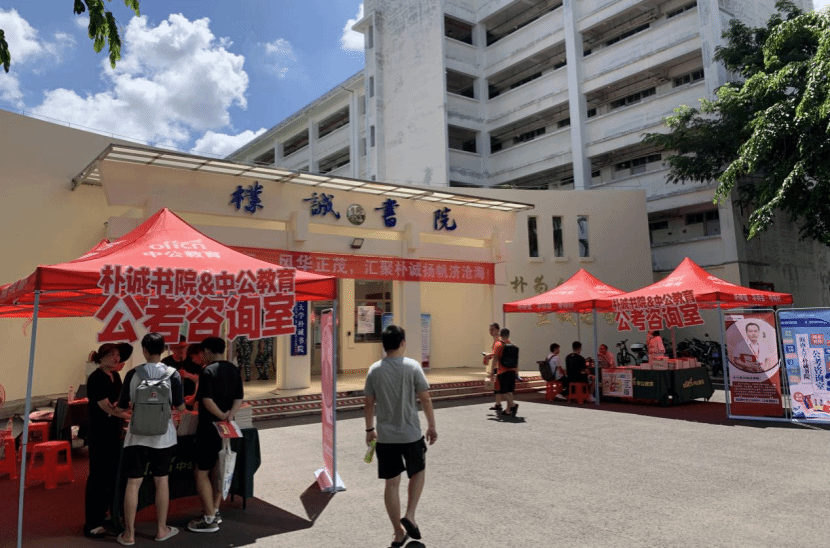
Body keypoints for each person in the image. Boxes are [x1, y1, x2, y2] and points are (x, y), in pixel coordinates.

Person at [364, 325, 437, 547]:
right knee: (418, 472)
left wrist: (369, 429)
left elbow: (368, 402)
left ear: (384, 345)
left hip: (386, 437)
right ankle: (410, 514)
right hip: (411, 434)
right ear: (402, 342)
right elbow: (425, 398)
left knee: (391, 483)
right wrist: (432, 426)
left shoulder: (374, 370)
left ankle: (397, 532)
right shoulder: (412, 366)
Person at [115, 333, 185, 545]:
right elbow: (181, 406)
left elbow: (121, 406)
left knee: (133, 483)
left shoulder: (132, 374)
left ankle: (129, 534)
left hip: (136, 436)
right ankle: (162, 529)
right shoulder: (173, 374)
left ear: (144, 351)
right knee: (161, 481)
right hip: (164, 437)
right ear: (163, 350)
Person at [188, 337, 244, 532]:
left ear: (207, 351)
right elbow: (239, 397)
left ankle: (209, 518)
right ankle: (214, 510)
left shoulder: (208, 371)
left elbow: (206, 400)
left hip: (208, 428)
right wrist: (229, 416)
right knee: (219, 470)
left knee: (201, 472)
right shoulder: (233, 369)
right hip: (227, 428)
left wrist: (220, 415)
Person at [83, 343, 130, 538]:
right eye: (111, 355)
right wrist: (126, 416)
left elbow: (119, 401)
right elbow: (104, 406)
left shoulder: (115, 376)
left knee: (112, 476)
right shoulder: (96, 378)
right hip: (100, 433)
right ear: (101, 357)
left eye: (117, 355)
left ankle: (109, 513)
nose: (116, 358)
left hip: (114, 432)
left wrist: (128, 410)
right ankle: (92, 522)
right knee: (98, 477)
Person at [162, 335, 200, 407]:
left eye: (184, 347)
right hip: (172, 401)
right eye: (177, 348)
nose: (181, 350)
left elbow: (201, 379)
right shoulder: (165, 362)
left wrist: (188, 375)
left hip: (190, 399)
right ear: (172, 348)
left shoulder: (194, 360)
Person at [495, 328, 519, 416]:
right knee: (509, 391)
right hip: (512, 370)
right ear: (508, 335)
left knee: (502, 392)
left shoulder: (499, 344)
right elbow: (516, 359)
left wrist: (491, 371)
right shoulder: (513, 344)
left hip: (502, 370)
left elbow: (495, 358)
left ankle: (513, 405)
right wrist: (517, 371)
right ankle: (508, 410)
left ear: (500, 334)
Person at [483, 322, 503, 412]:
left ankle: (509, 405)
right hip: (499, 366)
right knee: (497, 386)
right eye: (490, 330)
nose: (491, 331)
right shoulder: (497, 340)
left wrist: (489, 356)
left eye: (493, 329)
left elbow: (496, 355)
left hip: (498, 366)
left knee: (499, 387)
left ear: (497, 330)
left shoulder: (498, 340)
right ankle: (498, 404)